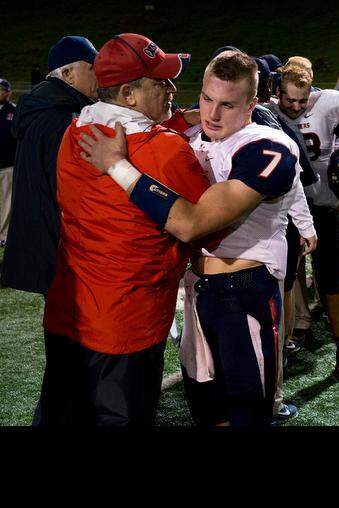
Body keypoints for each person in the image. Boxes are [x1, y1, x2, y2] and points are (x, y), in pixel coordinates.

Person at [79, 50, 320, 428]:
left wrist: (116, 165)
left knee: (249, 412)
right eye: (207, 99)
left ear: (252, 104)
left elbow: (192, 225)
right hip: (198, 289)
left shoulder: (267, 147)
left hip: (245, 290)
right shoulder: (195, 132)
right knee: (206, 411)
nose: (212, 113)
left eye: (227, 104)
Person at [43, 33, 208, 428]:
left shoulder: (72, 133)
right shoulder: (166, 149)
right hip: (129, 321)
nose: (171, 88)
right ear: (130, 94)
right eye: (160, 82)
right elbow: (204, 226)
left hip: (69, 311)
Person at [268, 60, 339, 384]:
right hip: (284, 211)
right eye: (288, 100)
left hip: (322, 205)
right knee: (286, 283)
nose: (294, 107)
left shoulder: (330, 105)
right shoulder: (266, 110)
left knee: (332, 283)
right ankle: (283, 349)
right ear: (277, 90)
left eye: (301, 101)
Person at [1, 36, 99, 296]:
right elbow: (71, 191)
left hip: (44, 243)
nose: (99, 75)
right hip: (61, 246)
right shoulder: (63, 119)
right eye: (92, 68)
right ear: (67, 74)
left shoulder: (44, 108)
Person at [0, 78, 15, 247]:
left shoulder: (13, 111)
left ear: (8, 92)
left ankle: (3, 235)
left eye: (1, 89)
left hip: (7, 164)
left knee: (6, 201)